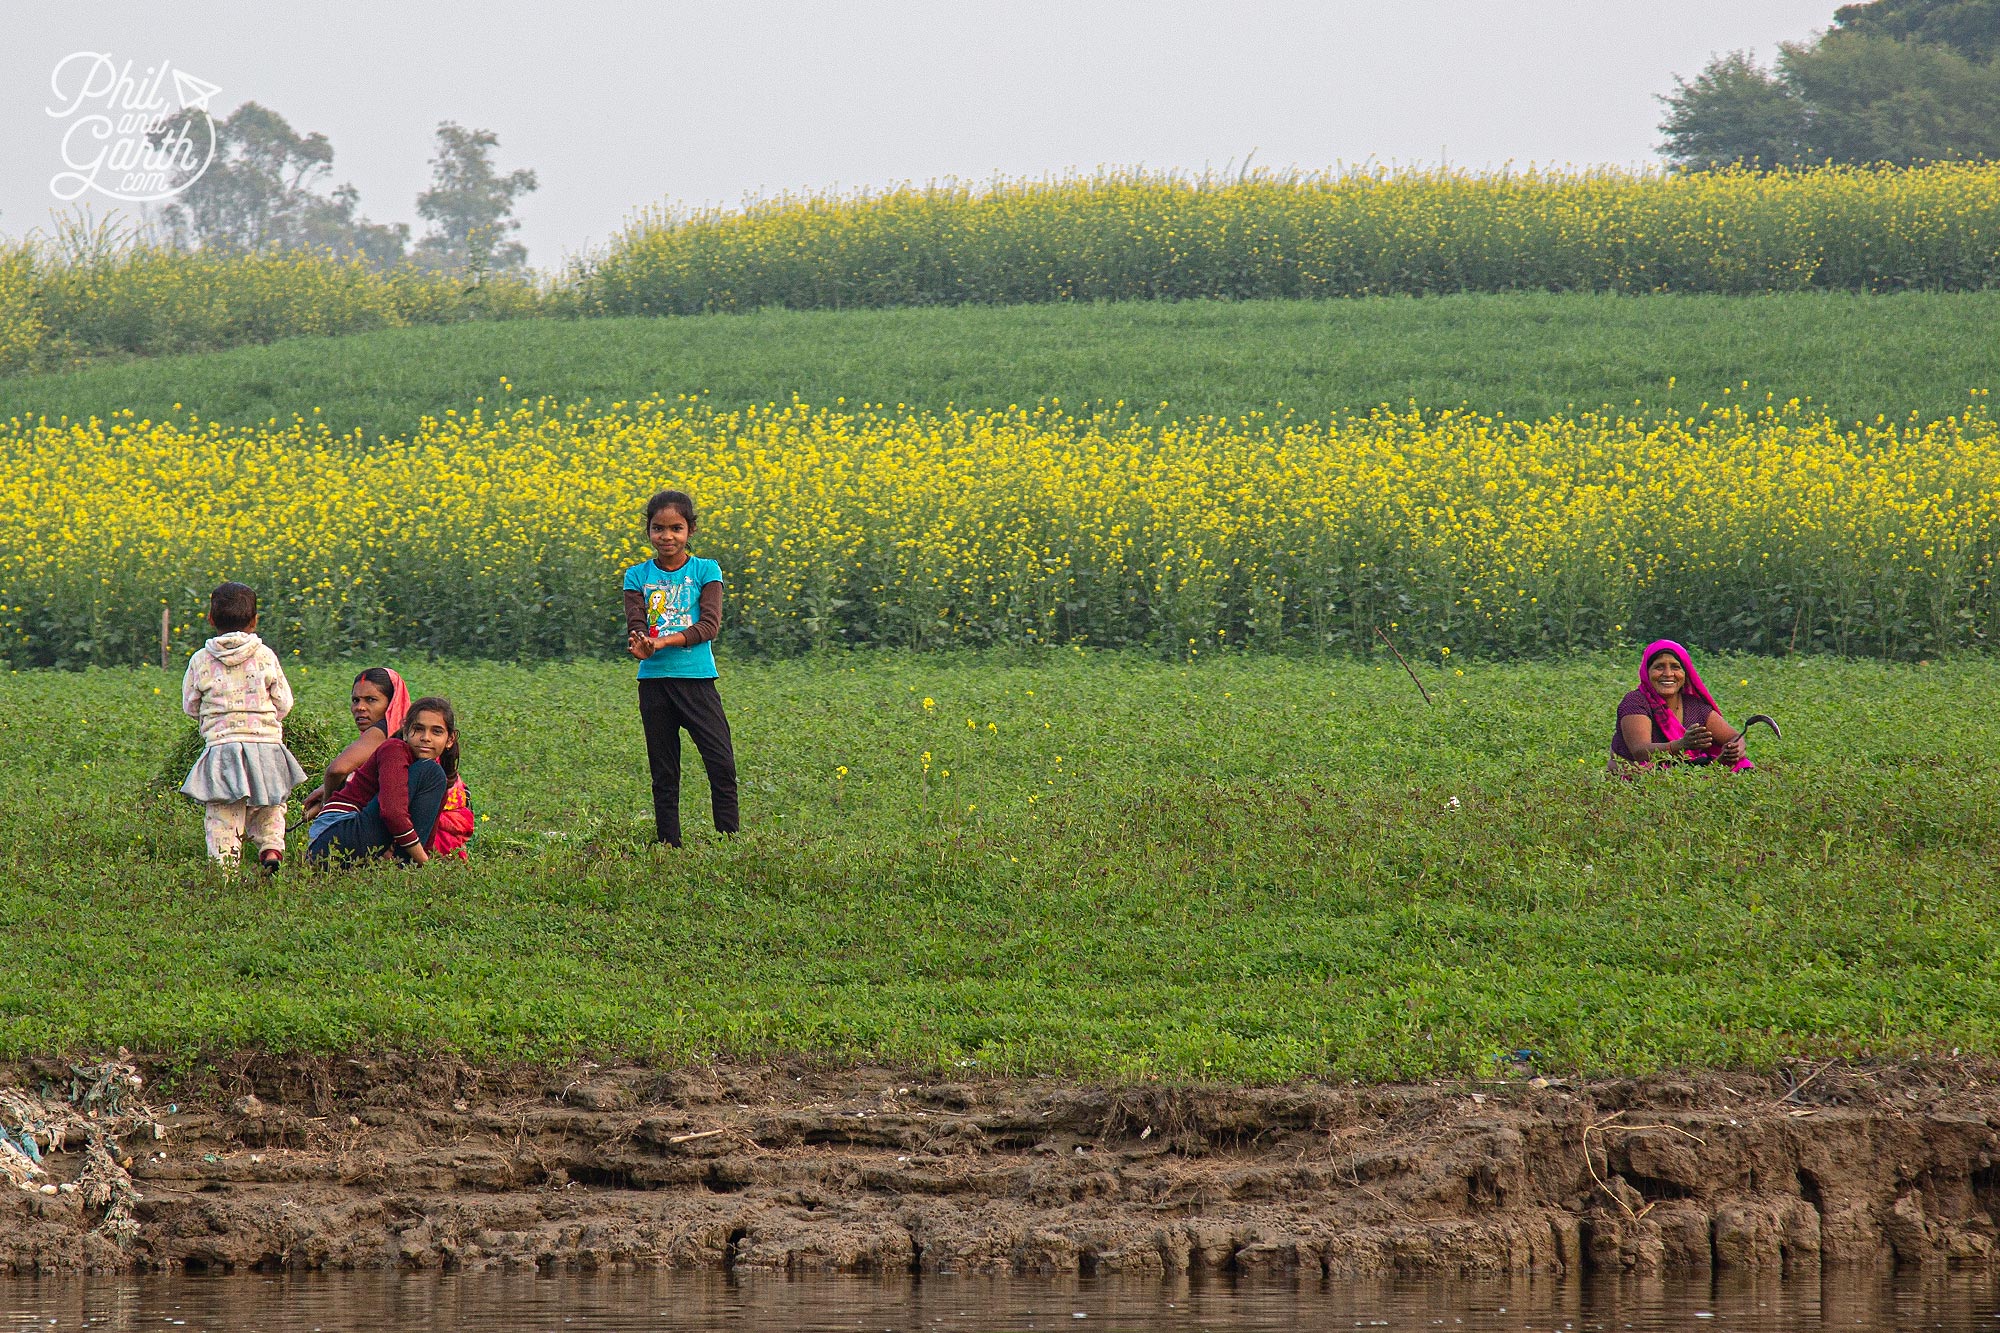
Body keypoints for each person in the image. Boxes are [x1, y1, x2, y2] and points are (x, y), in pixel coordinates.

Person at [623, 488, 740, 847]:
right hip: (655, 683)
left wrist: (662, 642)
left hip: (697, 681)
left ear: (690, 530)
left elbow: (709, 626)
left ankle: (729, 841)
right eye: (659, 528)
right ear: (648, 531)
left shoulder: (706, 570)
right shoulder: (636, 576)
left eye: (676, 528)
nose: (667, 536)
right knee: (664, 770)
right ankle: (668, 845)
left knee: (721, 763)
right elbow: (636, 623)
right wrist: (641, 644)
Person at [179, 582, 308, 873]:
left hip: (223, 747)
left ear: (211, 619)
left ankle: (226, 873)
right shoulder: (265, 656)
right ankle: (271, 848)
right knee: (271, 802)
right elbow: (284, 702)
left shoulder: (201, 659)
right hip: (267, 745)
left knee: (223, 813)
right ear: (254, 620)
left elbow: (190, 705)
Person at [306, 696, 460, 864]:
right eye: (418, 729)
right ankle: (405, 871)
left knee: (434, 774)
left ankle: (405, 876)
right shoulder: (394, 749)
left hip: (353, 841)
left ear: (450, 740)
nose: (426, 737)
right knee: (431, 771)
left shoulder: (432, 776)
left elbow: (426, 835)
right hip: (334, 837)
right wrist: (424, 862)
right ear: (406, 731)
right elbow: (392, 812)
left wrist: (421, 860)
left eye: (436, 731)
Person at [1610, 639, 1753, 773]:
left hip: (1685, 772)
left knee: (1741, 764)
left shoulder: (1694, 706)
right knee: (1647, 769)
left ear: (1685, 674)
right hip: (1641, 774)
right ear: (1647, 672)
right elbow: (1640, 751)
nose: (1668, 674)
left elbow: (1733, 736)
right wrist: (1681, 744)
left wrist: (1736, 748)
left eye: (1675, 667)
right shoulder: (1636, 702)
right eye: (1659, 667)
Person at [301, 667, 409, 826]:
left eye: (371, 699)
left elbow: (336, 770)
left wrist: (328, 806)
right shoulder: (406, 732)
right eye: (355, 700)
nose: (360, 707)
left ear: (391, 702)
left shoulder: (380, 732)